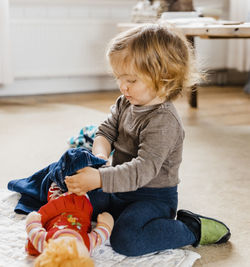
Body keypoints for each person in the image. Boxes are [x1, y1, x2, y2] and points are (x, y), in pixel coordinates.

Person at [65, 23, 231, 256]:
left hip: (152, 197)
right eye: (119, 78)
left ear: (163, 78)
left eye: (131, 80)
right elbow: (105, 131)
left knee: (127, 240)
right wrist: (100, 157)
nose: (123, 87)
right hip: (118, 185)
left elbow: (143, 170)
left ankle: (192, 228)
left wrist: (100, 178)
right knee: (74, 197)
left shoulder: (164, 121)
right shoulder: (126, 102)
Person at [25, 183, 114, 267]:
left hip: (56, 211)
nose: (70, 242)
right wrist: (106, 224)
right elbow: (100, 235)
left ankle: (57, 181)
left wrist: (33, 219)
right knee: (88, 188)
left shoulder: (44, 242)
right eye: (74, 246)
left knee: (55, 190)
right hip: (81, 206)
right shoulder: (87, 244)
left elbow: (33, 231)